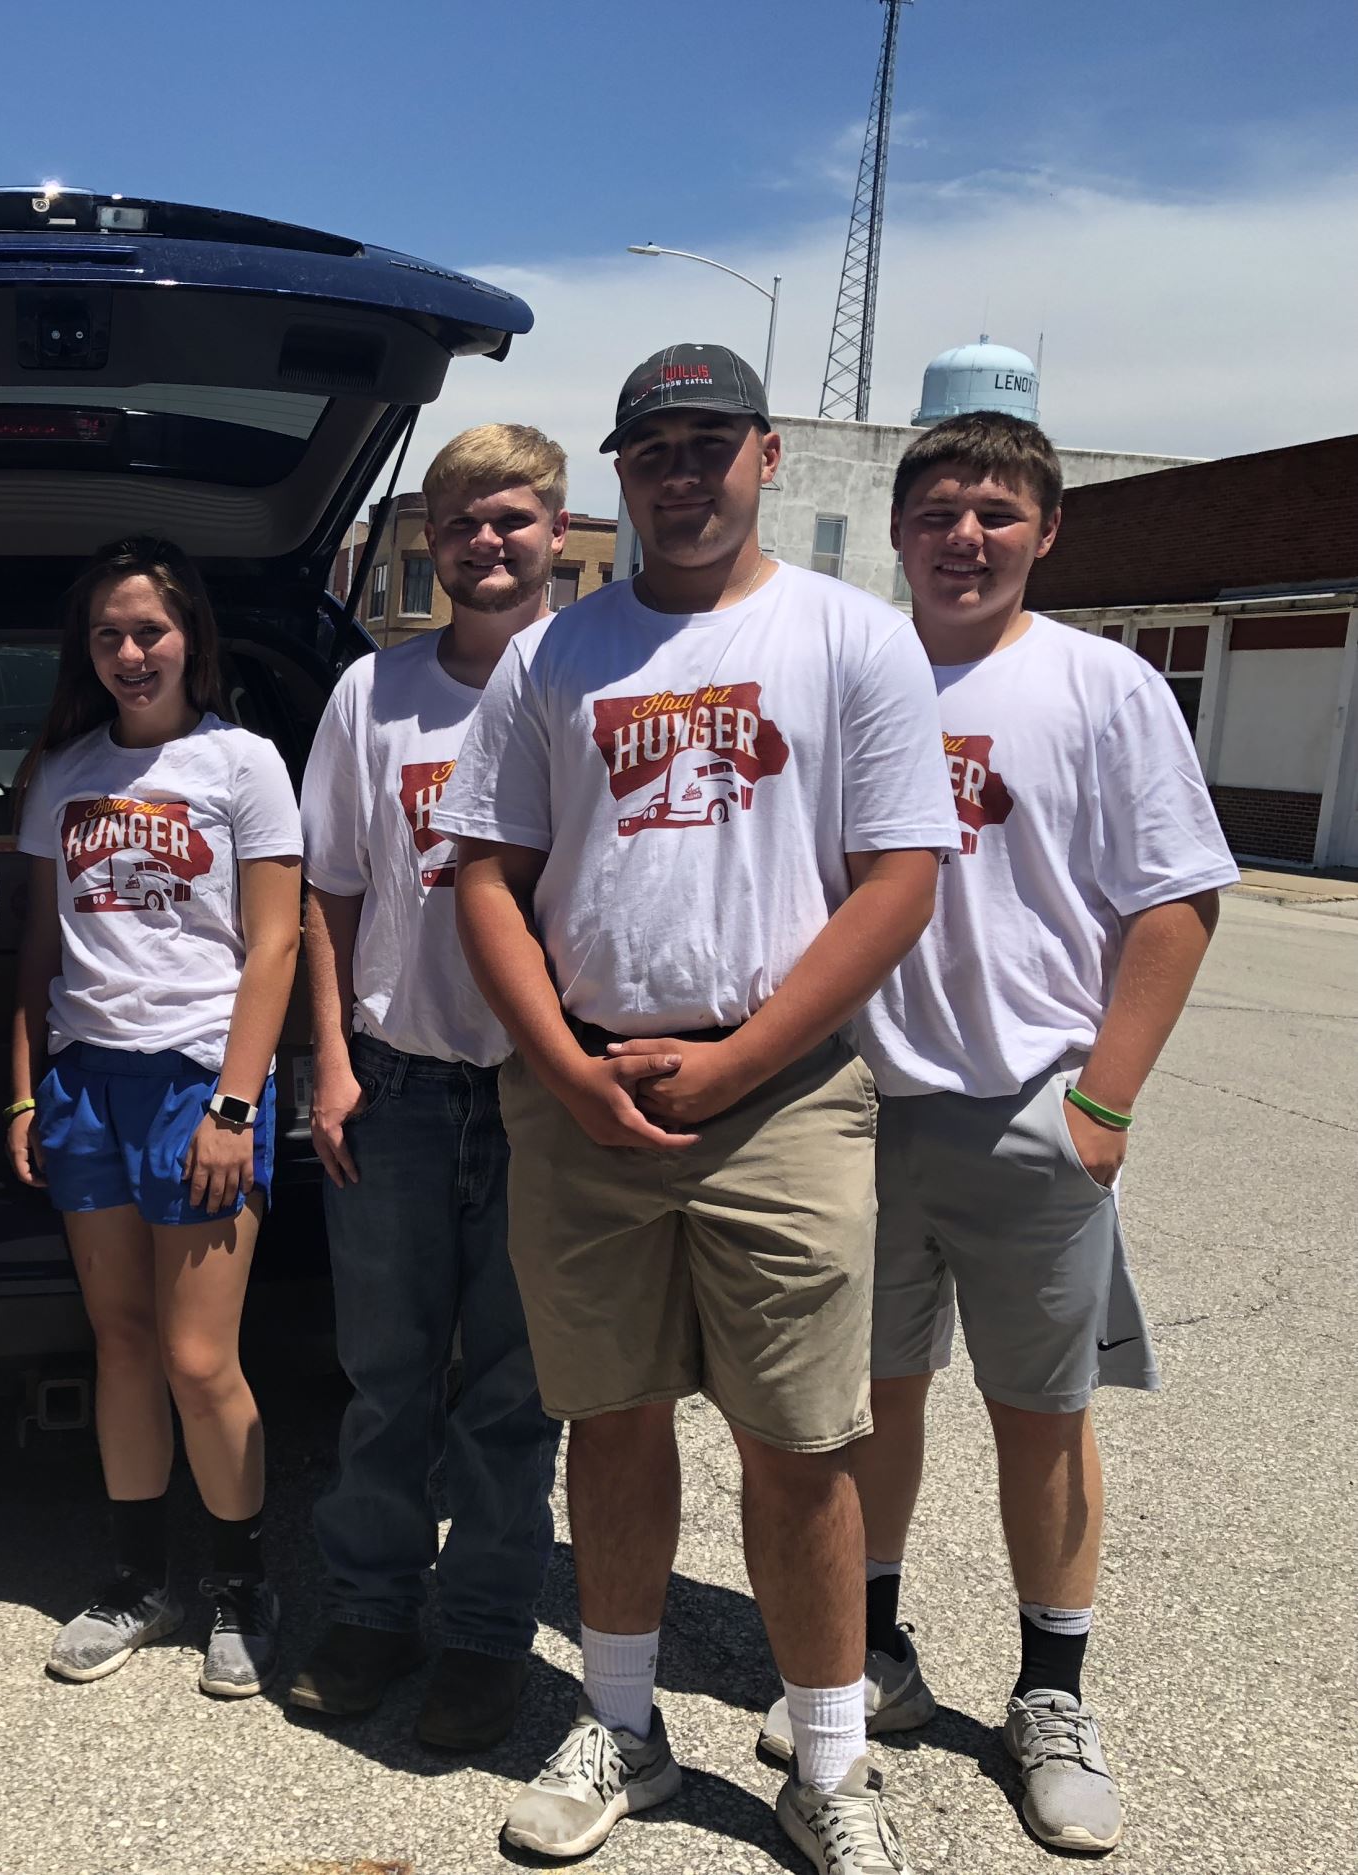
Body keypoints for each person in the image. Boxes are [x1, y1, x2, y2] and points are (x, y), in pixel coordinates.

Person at [438, 345, 959, 1875]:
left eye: (708, 443)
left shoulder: (853, 640)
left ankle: (831, 1757)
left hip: (780, 1091)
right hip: (584, 1086)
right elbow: (483, 871)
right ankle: (625, 1723)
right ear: (622, 469)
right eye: (652, 447)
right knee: (608, 1417)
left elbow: (900, 882)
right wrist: (558, 1061)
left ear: (767, 455)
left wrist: (742, 1062)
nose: (681, 472)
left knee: (800, 1439)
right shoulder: (555, 656)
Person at [753, 413, 1236, 1855]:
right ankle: (880, 1651)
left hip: (1033, 1105)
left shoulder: (1098, 685)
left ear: (1046, 531)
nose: (967, 536)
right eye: (941, 511)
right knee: (867, 1405)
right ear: (899, 531)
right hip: (859, 1105)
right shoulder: (853, 677)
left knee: (1043, 1417)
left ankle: (1052, 1688)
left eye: (997, 513)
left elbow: (1177, 900)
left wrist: (1104, 1100)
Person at [286, 427, 566, 1750]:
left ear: (556, 530)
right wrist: (327, 1059)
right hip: (392, 1081)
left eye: (511, 517)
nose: (487, 542)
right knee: (387, 1375)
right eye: (461, 521)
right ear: (430, 542)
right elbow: (327, 888)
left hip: (539, 1090)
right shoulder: (374, 695)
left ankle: (482, 1637)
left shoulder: (587, 678)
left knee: (513, 1394)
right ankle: (371, 1608)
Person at [6, 538, 303, 1699]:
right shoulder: (64, 771)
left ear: (192, 641)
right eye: (108, 637)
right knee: (121, 1345)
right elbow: (40, 946)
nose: (130, 655)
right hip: (87, 1078)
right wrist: (26, 1089)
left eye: (150, 633)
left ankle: (241, 1586)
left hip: (198, 1079)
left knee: (197, 1355)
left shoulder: (242, 764)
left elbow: (274, 940)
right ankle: (139, 1579)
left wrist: (235, 1102)